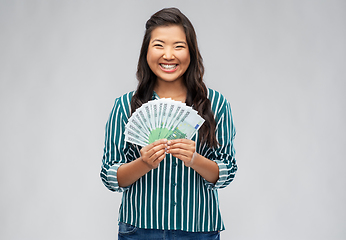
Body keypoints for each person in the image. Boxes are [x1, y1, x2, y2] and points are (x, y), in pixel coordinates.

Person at [100, 7, 237, 240]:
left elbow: (227, 170)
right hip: (139, 229)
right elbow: (110, 175)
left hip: (198, 229)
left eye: (179, 46)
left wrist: (195, 160)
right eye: (159, 45)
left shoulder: (216, 104)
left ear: (191, 53)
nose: (168, 55)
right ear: (146, 52)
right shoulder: (125, 106)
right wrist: (144, 163)